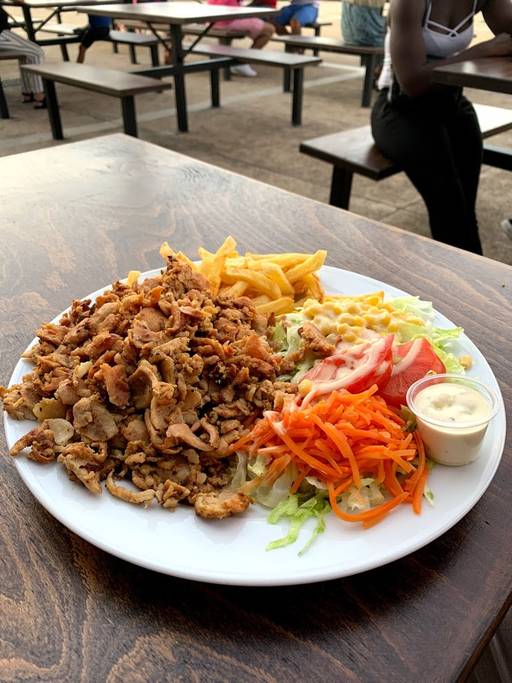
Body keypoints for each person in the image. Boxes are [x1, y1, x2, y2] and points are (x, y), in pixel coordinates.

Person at [371, 0, 512, 255]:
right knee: (449, 204)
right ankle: (468, 288)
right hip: (399, 109)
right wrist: (484, 50)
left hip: (451, 104)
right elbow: (412, 82)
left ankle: (469, 270)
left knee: (464, 206)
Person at [207, 0, 274, 77]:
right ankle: (243, 62)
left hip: (215, 20)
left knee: (265, 26)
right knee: (269, 30)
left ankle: (240, 61)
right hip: (228, 19)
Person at [0, 1, 46, 107]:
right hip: (2, 34)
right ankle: (39, 95)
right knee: (36, 52)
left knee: (26, 53)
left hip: (3, 34)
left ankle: (28, 93)